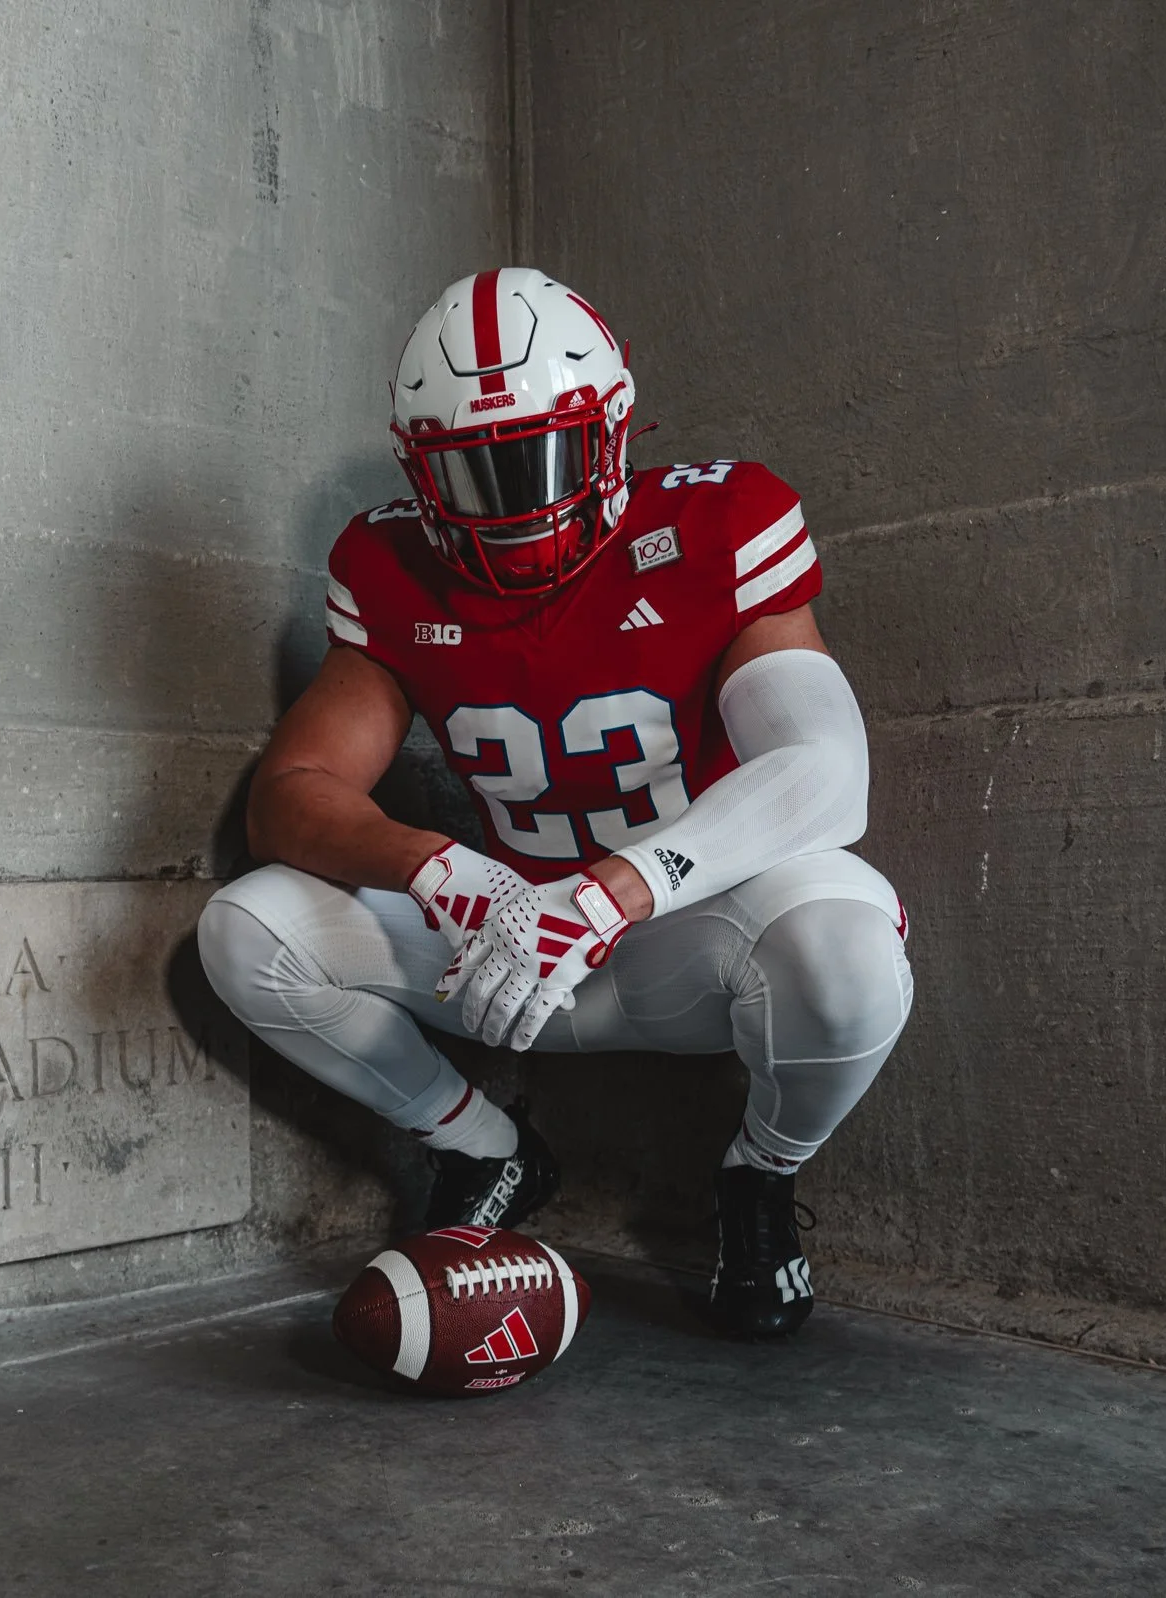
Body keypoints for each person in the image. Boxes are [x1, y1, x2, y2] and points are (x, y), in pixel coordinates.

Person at [197, 269, 913, 1338]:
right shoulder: (390, 564)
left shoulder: (716, 521)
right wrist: (444, 870)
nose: (514, 500)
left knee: (845, 940)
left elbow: (823, 766)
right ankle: (484, 1145)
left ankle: (758, 1176)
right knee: (244, 927)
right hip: (504, 947)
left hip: (685, 941)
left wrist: (618, 889)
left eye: (541, 455)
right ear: (416, 470)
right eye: (471, 473)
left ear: (613, 431)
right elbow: (290, 800)